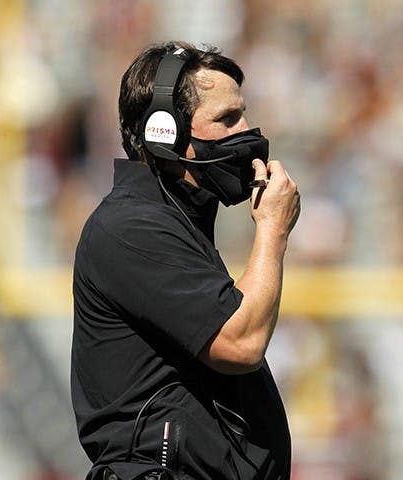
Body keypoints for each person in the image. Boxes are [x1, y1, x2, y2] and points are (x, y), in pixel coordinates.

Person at [70, 40, 300, 480]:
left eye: (243, 114)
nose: (246, 131)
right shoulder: (132, 228)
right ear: (165, 133)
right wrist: (272, 230)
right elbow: (241, 342)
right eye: (226, 119)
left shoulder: (173, 221)